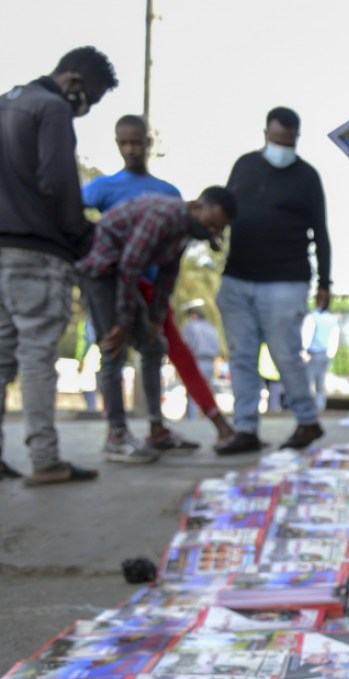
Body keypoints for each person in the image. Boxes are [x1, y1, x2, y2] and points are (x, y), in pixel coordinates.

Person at [0, 46, 117, 485]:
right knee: (36, 357)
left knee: (1, 358)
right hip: (37, 253)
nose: (87, 108)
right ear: (74, 82)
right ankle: (46, 459)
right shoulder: (51, 109)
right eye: (93, 98)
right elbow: (57, 182)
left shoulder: (7, 101)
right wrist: (81, 235)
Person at [82, 114, 235, 447]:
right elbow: (128, 268)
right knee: (113, 346)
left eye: (218, 229)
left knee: (154, 345)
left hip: (131, 279)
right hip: (104, 273)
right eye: (211, 224)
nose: (213, 233)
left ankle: (157, 431)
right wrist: (123, 322)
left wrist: (153, 318)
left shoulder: (185, 230)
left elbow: (168, 274)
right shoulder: (163, 215)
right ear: (197, 207)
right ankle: (117, 435)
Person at [216, 106, 330, 454]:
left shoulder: (307, 177)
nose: (283, 147)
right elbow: (225, 207)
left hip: (286, 280)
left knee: (286, 354)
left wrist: (326, 282)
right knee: (241, 356)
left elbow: (321, 233)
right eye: (278, 139)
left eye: (290, 141)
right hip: (238, 276)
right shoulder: (244, 165)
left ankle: (308, 421)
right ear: (265, 133)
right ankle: (246, 428)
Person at [180, 299, 221, 417]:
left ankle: (193, 418)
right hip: (210, 362)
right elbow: (217, 347)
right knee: (209, 391)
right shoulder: (212, 329)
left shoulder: (190, 327)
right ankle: (212, 417)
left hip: (196, 360)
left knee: (194, 392)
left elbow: (185, 345)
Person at [301, 288, 339, 412]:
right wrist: (331, 354)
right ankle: (320, 406)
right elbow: (334, 337)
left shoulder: (312, 316)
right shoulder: (332, 319)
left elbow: (306, 334)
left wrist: (304, 350)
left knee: (309, 381)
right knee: (320, 382)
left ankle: (308, 408)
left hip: (312, 353)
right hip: (325, 354)